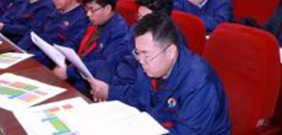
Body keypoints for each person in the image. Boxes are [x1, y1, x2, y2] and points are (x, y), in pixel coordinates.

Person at [90, 14, 231, 135]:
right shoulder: (150, 65)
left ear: (170, 52)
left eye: (146, 54)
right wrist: (109, 91)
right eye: (137, 53)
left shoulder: (199, 82)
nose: (140, 60)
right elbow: (139, 95)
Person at [52, 0, 129, 94]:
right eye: (87, 10)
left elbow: (104, 65)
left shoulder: (119, 32)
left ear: (107, 9)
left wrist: (69, 71)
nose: (88, 14)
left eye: (92, 10)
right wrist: (59, 53)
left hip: (91, 85)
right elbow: (75, 41)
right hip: (76, 74)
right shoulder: (95, 22)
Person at [19, 0, 89, 67]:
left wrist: (31, 58)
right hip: (32, 55)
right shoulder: (52, 10)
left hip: (49, 63)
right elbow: (33, 32)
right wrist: (19, 49)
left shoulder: (82, 18)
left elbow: (64, 51)